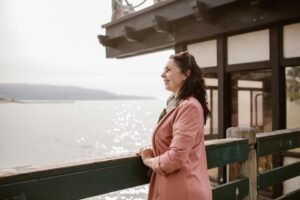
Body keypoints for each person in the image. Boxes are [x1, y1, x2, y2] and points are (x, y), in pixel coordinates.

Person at [140, 51, 212, 200]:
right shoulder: (175, 104)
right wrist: (154, 150)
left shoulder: (189, 107)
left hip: (184, 192)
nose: (162, 74)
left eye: (168, 70)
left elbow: (176, 157)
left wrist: (148, 161)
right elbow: (175, 145)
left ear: (185, 74)